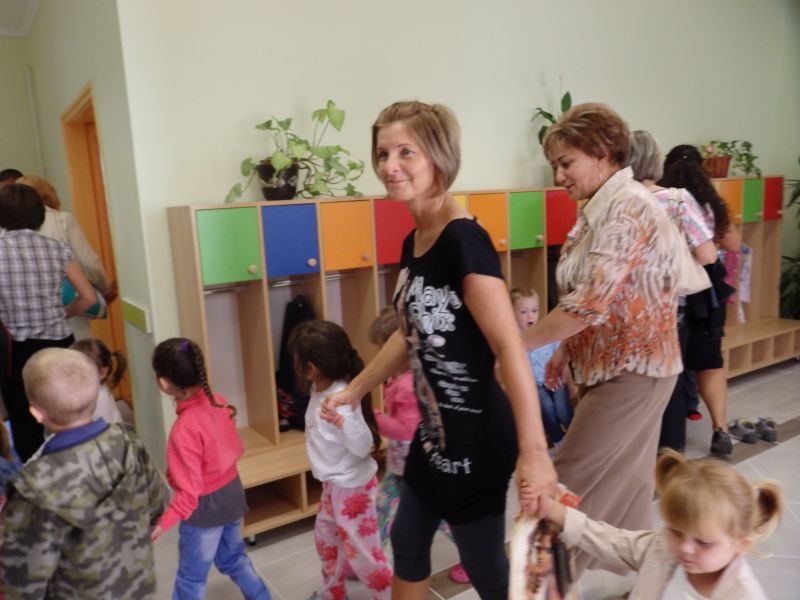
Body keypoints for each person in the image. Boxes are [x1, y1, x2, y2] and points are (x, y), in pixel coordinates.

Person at [325, 100, 555, 600]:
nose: (390, 165)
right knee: (407, 540)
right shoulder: (415, 241)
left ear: (439, 157)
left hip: (477, 441)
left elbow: (509, 346)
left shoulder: (463, 241)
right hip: (434, 438)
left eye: (406, 152)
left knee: (486, 569)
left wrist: (535, 454)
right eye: (383, 153)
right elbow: (411, 333)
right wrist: (357, 389)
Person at [520, 103, 683, 576]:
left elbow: (589, 302)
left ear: (603, 153)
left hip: (635, 370)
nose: (558, 177)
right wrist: (566, 347)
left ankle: (544, 580)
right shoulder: (599, 207)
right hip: (623, 366)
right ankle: (646, 578)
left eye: (566, 163)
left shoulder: (628, 207)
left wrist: (517, 344)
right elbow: (601, 295)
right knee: (629, 488)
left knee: (562, 482)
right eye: (555, 165)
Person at [2, 347, 166, 599]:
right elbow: (157, 505)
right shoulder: (129, 442)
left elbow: (23, 582)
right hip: (136, 586)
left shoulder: (31, 487)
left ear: (36, 412)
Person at [524, 449, 783, 599]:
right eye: (676, 531)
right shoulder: (662, 547)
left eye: (703, 542)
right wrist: (557, 512)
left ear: (740, 545)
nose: (685, 548)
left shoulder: (742, 594)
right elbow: (612, 541)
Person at [150, 337, 270, 600]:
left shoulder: (183, 431)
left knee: (191, 578)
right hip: (233, 494)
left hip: (204, 508)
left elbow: (189, 492)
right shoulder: (218, 401)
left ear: (164, 383)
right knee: (234, 558)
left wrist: (162, 523)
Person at [289, 320, 392, 600]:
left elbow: (364, 446)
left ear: (311, 368)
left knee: (365, 558)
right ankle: (332, 593)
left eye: (295, 360)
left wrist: (344, 423)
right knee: (326, 542)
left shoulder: (339, 401)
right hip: (334, 486)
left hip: (352, 489)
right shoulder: (321, 388)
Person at [627, 130, 718, 452]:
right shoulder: (677, 200)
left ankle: (634, 455)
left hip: (626, 311)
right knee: (669, 383)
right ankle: (668, 456)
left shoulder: (616, 201)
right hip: (669, 308)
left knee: (631, 385)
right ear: (655, 161)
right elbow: (708, 255)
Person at [368, 307, 469, 585]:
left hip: (421, 466)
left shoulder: (410, 384)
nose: (379, 357)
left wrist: (374, 419)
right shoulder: (399, 378)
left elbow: (405, 429)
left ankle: (473, 557)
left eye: (383, 350)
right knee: (382, 505)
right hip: (401, 464)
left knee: (443, 518)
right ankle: (369, 556)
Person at [0, 183, 95, 461]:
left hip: (14, 350)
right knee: (66, 408)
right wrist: (61, 313)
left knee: (22, 416)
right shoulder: (58, 249)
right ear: (40, 215)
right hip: (58, 344)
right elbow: (88, 298)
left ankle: (36, 469)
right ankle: (73, 463)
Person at [659, 145, 741, 456]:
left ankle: (668, 438)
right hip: (707, 294)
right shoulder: (709, 203)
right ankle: (720, 429)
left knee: (672, 365)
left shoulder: (660, 199)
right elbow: (734, 244)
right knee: (709, 362)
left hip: (670, 292)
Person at [17, 175, 115, 339]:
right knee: (74, 349)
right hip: (69, 301)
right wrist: (103, 288)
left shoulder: (8, 226)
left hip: (26, 313)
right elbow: (88, 262)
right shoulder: (62, 219)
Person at [510, 287, 574, 446]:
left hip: (555, 379)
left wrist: (572, 387)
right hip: (535, 386)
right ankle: (559, 441)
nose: (530, 316)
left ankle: (574, 438)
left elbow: (563, 363)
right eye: (523, 312)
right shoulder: (513, 339)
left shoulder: (548, 333)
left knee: (562, 409)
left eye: (534, 310)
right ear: (512, 313)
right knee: (546, 409)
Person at [71, 337, 125, 424]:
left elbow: (102, 429)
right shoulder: (88, 390)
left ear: (102, 373)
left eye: (79, 372)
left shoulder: (99, 399)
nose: (71, 377)